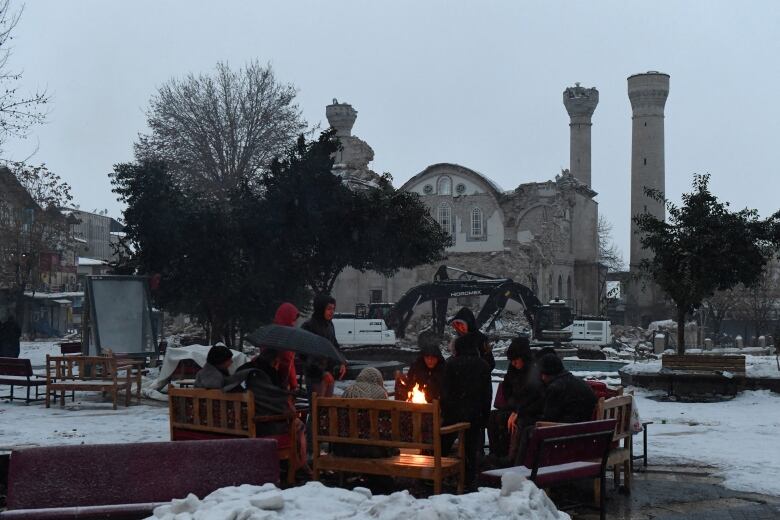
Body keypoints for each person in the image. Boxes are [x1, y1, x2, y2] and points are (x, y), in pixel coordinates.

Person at [237, 348, 309, 475]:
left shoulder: (245, 370)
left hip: (239, 421)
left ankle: (296, 463)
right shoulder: (266, 376)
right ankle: (300, 465)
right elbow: (275, 403)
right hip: (260, 425)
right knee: (299, 425)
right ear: (275, 361)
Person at [440, 331, 493, 489]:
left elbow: (445, 392)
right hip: (474, 414)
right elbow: (487, 394)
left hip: (453, 414)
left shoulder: (451, 364)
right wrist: (484, 415)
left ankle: (436, 475)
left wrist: (446, 410)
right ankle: (469, 480)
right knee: (471, 449)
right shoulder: (482, 365)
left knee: (444, 444)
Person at [487, 337, 544, 460]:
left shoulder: (533, 371)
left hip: (529, 410)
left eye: (516, 360)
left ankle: (508, 456)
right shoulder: (513, 369)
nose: (513, 363)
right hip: (514, 406)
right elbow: (507, 388)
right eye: (511, 360)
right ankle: (495, 452)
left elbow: (533, 395)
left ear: (523, 357)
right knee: (492, 417)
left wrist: (518, 410)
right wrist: (512, 405)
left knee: (508, 421)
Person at [301, 294, 346, 398]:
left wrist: (341, 362)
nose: (332, 312)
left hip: (330, 374)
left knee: (327, 408)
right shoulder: (309, 326)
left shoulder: (329, 325)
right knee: (317, 407)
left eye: (333, 309)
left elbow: (334, 346)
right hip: (315, 377)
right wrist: (322, 373)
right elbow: (306, 355)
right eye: (329, 309)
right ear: (321, 309)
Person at [537, 353, 597, 423]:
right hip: (585, 426)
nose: (542, 378)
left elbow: (548, 418)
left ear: (546, 373)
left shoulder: (555, 388)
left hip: (568, 429)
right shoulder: (578, 382)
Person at [396, 330, 446, 402]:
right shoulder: (417, 367)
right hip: (416, 406)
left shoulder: (443, 369)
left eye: (433, 358)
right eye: (427, 358)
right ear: (423, 358)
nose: (430, 361)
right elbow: (409, 385)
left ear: (438, 358)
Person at [450, 307, 495, 371]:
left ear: (469, 324)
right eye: (457, 325)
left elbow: (490, 364)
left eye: (462, 325)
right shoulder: (457, 341)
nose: (460, 328)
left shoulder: (480, 339)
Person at [270, 302, 301, 393]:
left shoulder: (271, 332)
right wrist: (294, 385)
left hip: (268, 381)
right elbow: (288, 363)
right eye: (292, 320)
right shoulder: (285, 337)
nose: (293, 323)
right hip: (279, 382)